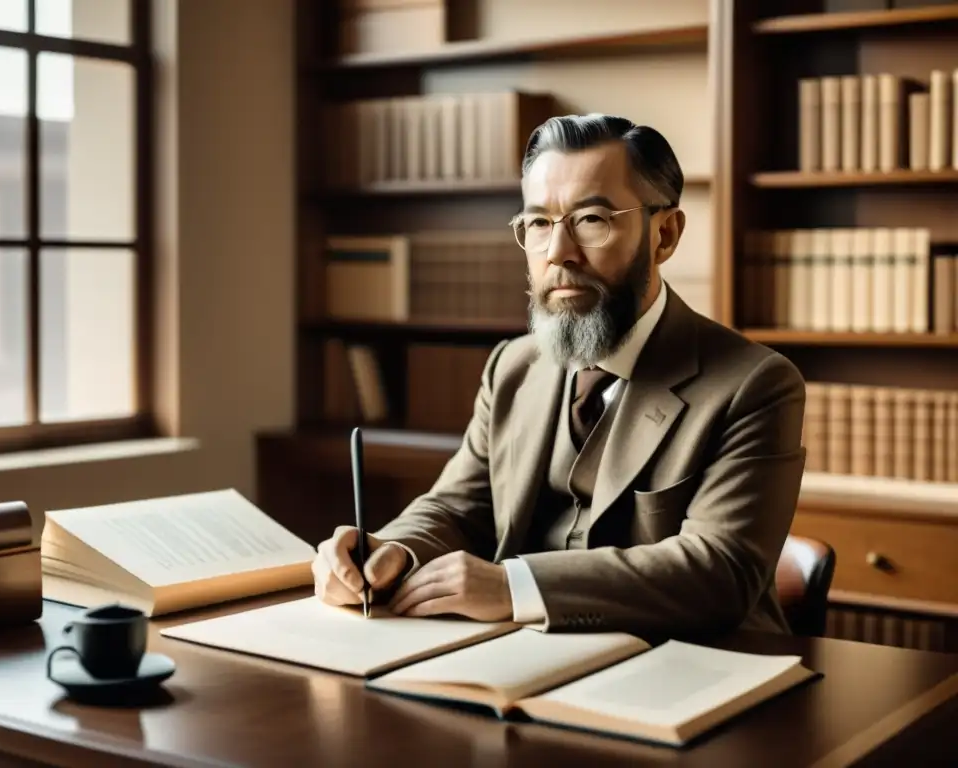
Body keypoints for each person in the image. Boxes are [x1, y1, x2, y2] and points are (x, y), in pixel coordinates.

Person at [311, 113, 807, 637]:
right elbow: (457, 507)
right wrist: (390, 551)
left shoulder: (755, 384)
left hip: (694, 671)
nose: (558, 253)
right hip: (522, 661)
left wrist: (513, 588)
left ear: (664, 235)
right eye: (539, 223)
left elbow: (719, 570)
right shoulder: (512, 365)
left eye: (592, 220)